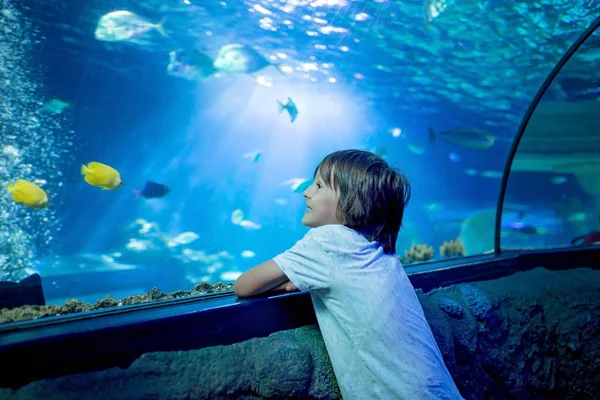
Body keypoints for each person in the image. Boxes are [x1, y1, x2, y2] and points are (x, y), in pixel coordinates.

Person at [234, 149, 464, 399]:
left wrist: (287, 282)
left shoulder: (328, 241)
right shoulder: (378, 248)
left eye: (319, 185)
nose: (306, 192)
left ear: (352, 201)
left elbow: (244, 286)